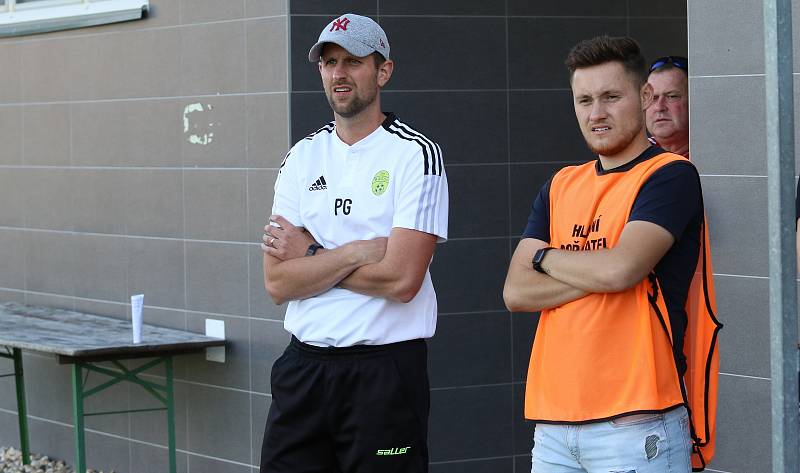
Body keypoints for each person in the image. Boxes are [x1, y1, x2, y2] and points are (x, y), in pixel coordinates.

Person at [503, 36, 721, 472]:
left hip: (637, 425)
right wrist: (596, 270)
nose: (596, 113)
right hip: (553, 426)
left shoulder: (669, 176)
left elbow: (621, 269)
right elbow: (515, 292)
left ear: (642, 97)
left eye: (610, 97)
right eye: (584, 100)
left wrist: (545, 258)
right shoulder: (561, 184)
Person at [258, 13, 448, 473]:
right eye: (329, 62)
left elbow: (402, 279)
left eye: (353, 61)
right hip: (304, 368)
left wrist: (311, 257)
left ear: (383, 71)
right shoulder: (301, 157)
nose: (338, 73)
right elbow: (278, 282)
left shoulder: (415, 153)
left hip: (383, 373)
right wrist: (356, 252)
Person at [645, 56, 690, 158]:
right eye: (653, 98)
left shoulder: (713, 154)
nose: (659, 107)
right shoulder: (628, 158)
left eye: (672, 96)